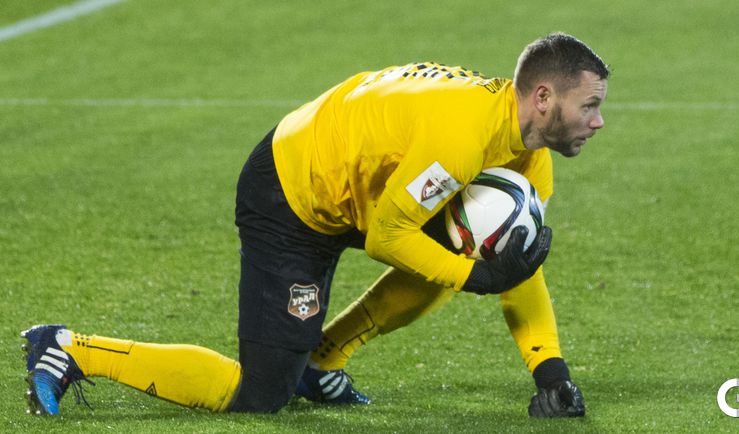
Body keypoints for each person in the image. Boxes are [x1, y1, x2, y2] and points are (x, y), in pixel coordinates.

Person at [21, 32, 608, 418]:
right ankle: (72, 349)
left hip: (359, 185)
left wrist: (549, 373)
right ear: (542, 97)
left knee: (457, 249)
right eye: (589, 105)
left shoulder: (527, 154)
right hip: (291, 192)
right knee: (259, 394)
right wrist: (475, 278)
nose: (598, 121)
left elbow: (515, 259)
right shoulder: (462, 139)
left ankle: (323, 361)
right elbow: (390, 237)